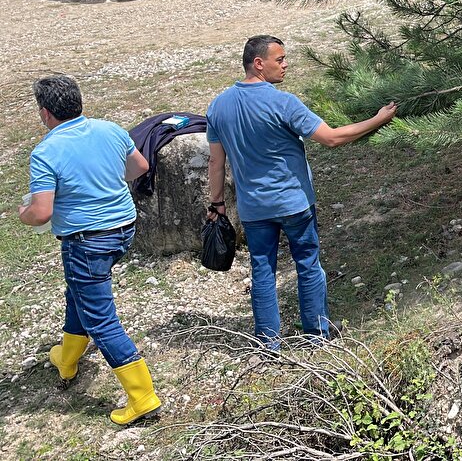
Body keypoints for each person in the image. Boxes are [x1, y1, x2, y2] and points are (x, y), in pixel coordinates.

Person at [206, 35, 396, 349]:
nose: (285, 64)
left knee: (262, 270)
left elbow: (216, 161)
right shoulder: (283, 103)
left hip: (254, 208)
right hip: (294, 203)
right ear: (258, 63)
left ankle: (269, 345)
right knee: (307, 263)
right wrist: (377, 119)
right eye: (279, 59)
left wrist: (217, 204)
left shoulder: (219, 106)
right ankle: (316, 337)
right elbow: (331, 138)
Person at [18, 75, 160, 425]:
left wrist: (23, 213)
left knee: (101, 320)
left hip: (86, 242)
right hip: (123, 230)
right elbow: (138, 167)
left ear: (45, 112)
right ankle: (66, 359)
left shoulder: (46, 151)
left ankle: (143, 396)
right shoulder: (110, 129)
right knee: (79, 295)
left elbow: (41, 212)